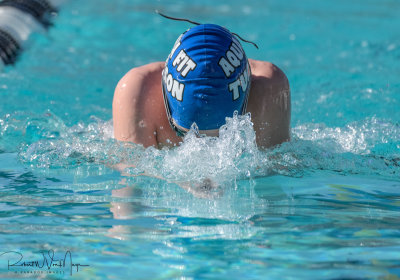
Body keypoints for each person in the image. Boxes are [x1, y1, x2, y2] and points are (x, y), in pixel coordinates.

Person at [113, 23, 290, 149]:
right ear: (165, 93)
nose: (204, 148)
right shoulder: (136, 92)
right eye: (183, 133)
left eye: (225, 134)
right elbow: (129, 189)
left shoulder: (269, 91)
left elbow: (273, 187)